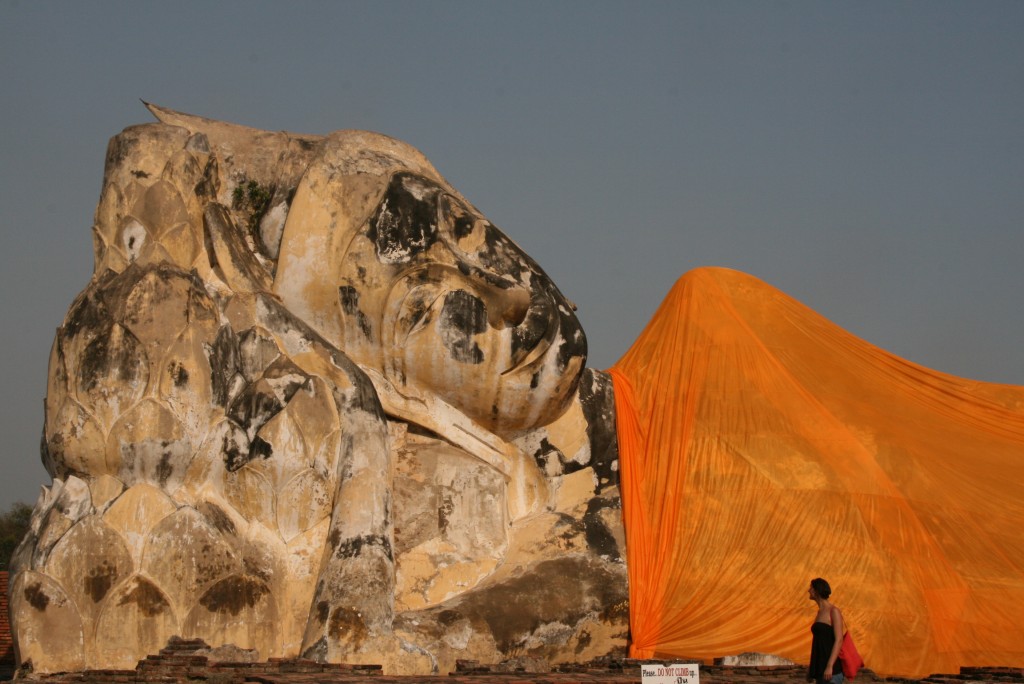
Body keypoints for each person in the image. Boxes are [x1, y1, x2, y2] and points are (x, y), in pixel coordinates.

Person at [807, 578, 845, 684]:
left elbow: (839, 640)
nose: (808, 590)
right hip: (820, 670)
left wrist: (830, 666)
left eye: (811, 588)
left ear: (817, 591)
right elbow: (818, 643)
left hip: (832, 671)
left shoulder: (834, 611)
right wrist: (811, 668)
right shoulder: (820, 612)